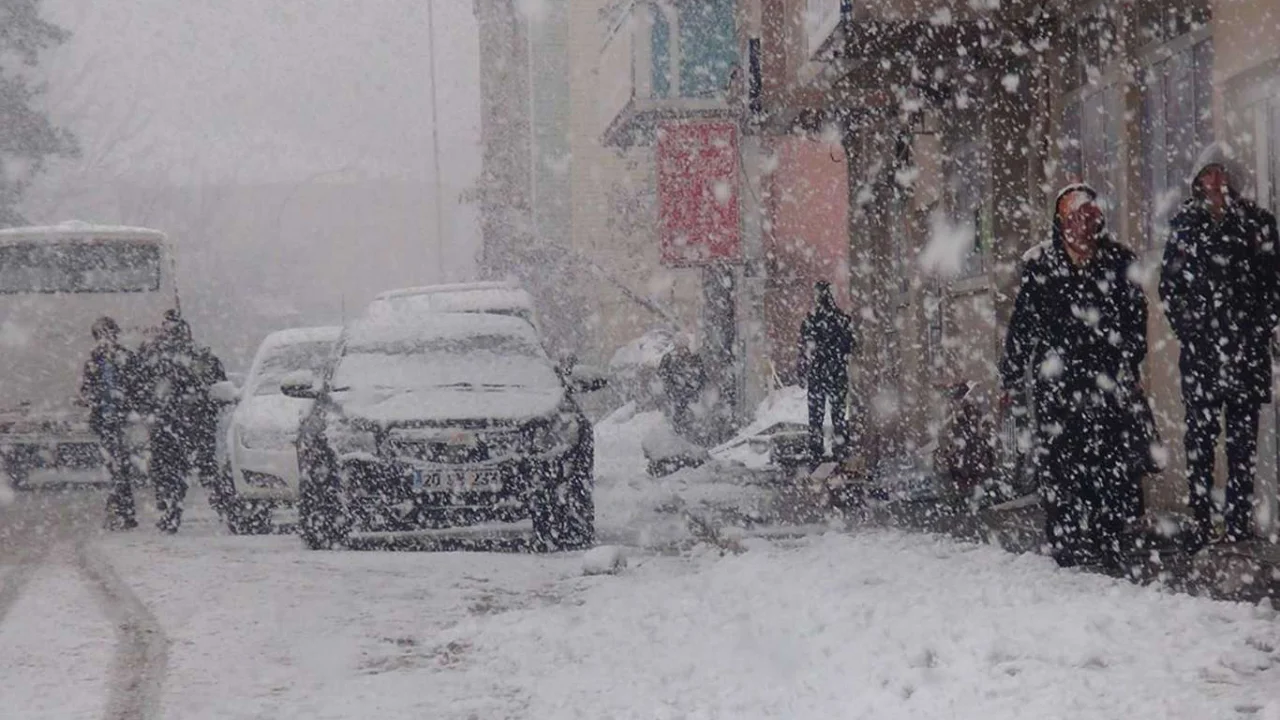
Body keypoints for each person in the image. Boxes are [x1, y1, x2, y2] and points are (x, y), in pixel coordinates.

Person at [1000, 184, 1150, 569]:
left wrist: (1129, 363)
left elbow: (1135, 318)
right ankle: (1064, 537)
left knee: (1110, 459)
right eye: (1074, 217)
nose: (1083, 224)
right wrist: (1012, 374)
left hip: (1105, 377)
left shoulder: (1118, 261)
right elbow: (1023, 325)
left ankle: (1108, 535)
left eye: (1089, 215)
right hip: (1058, 381)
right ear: (1061, 221)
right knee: (1060, 459)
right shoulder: (1041, 265)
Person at [1159, 144, 1280, 547]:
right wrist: (1193, 330)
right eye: (1207, 174)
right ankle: (1201, 517)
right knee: (1200, 439)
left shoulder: (1259, 224)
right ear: (1197, 181)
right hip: (1202, 356)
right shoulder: (1184, 226)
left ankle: (1238, 521)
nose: (1214, 182)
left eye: (1221, 173)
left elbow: (1272, 287)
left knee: (1242, 442)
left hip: (1245, 352)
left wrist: (1257, 329)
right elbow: (1170, 288)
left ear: (1234, 179)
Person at [132, 309, 231, 533]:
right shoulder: (197, 356)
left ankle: (174, 510)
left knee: (173, 472)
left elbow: (140, 388)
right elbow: (217, 387)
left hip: (173, 424)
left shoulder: (157, 357)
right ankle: (224, 509)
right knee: (201, 471)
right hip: (190, 424)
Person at [80, 317, 139, 531]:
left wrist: (126, 402)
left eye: (107, 334)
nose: (103, 340)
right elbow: (86, 388)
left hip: (124, 421)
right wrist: (90, 398)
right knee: (116, 466)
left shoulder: (127, 358)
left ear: (115, 335)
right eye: (99, 336)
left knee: (120, 466)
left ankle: (120, 510)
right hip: (105, 421)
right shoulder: (93, 361)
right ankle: (122, 511)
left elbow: (139, 388)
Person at [798, 281, 855, 466]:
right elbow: (850, 345)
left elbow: (805, 347)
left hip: (819, 372)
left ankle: (816, 450)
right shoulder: (841, 320)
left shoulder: (811, 321)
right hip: (836, 371)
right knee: (838, 414)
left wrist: (804, 366)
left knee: (816, 415)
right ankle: (841, 448)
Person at [933, 381, 996, 508]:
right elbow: (945, 432)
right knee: (960, 472)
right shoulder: (954, 412)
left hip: (967, 446)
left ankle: (963, 497)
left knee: (966, 471)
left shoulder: (964, 410)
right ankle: (959, 498)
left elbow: (977, 427)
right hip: (964, 446)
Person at [657, 337, 705, 441]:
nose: (681, 351)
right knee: (677, 417)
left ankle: (688, 438)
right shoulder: (669, 358)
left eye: (683, 348)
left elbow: (702, 377)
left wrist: (696, 388)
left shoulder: (693, 359)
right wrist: (671, 385)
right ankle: (678, 437)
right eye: (679, 348)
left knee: (690, 417)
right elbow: (662, 373)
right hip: (677, 395)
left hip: (690, 396)